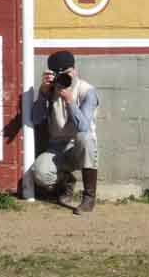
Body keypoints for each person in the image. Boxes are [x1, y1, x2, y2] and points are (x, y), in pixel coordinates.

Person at [30, 51, 100, 215]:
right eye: (59, 74)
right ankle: (67, 182)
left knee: (86, 137)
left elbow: (83, 127)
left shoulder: (86, 91)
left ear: (74, 70)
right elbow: (35, 118)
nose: (64, 78)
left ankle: (89, 198)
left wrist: (69, 100)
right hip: (57, 148)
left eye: (67, 73)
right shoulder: (50, 90)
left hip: (79, 148)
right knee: (40, 173)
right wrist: (43, 93)